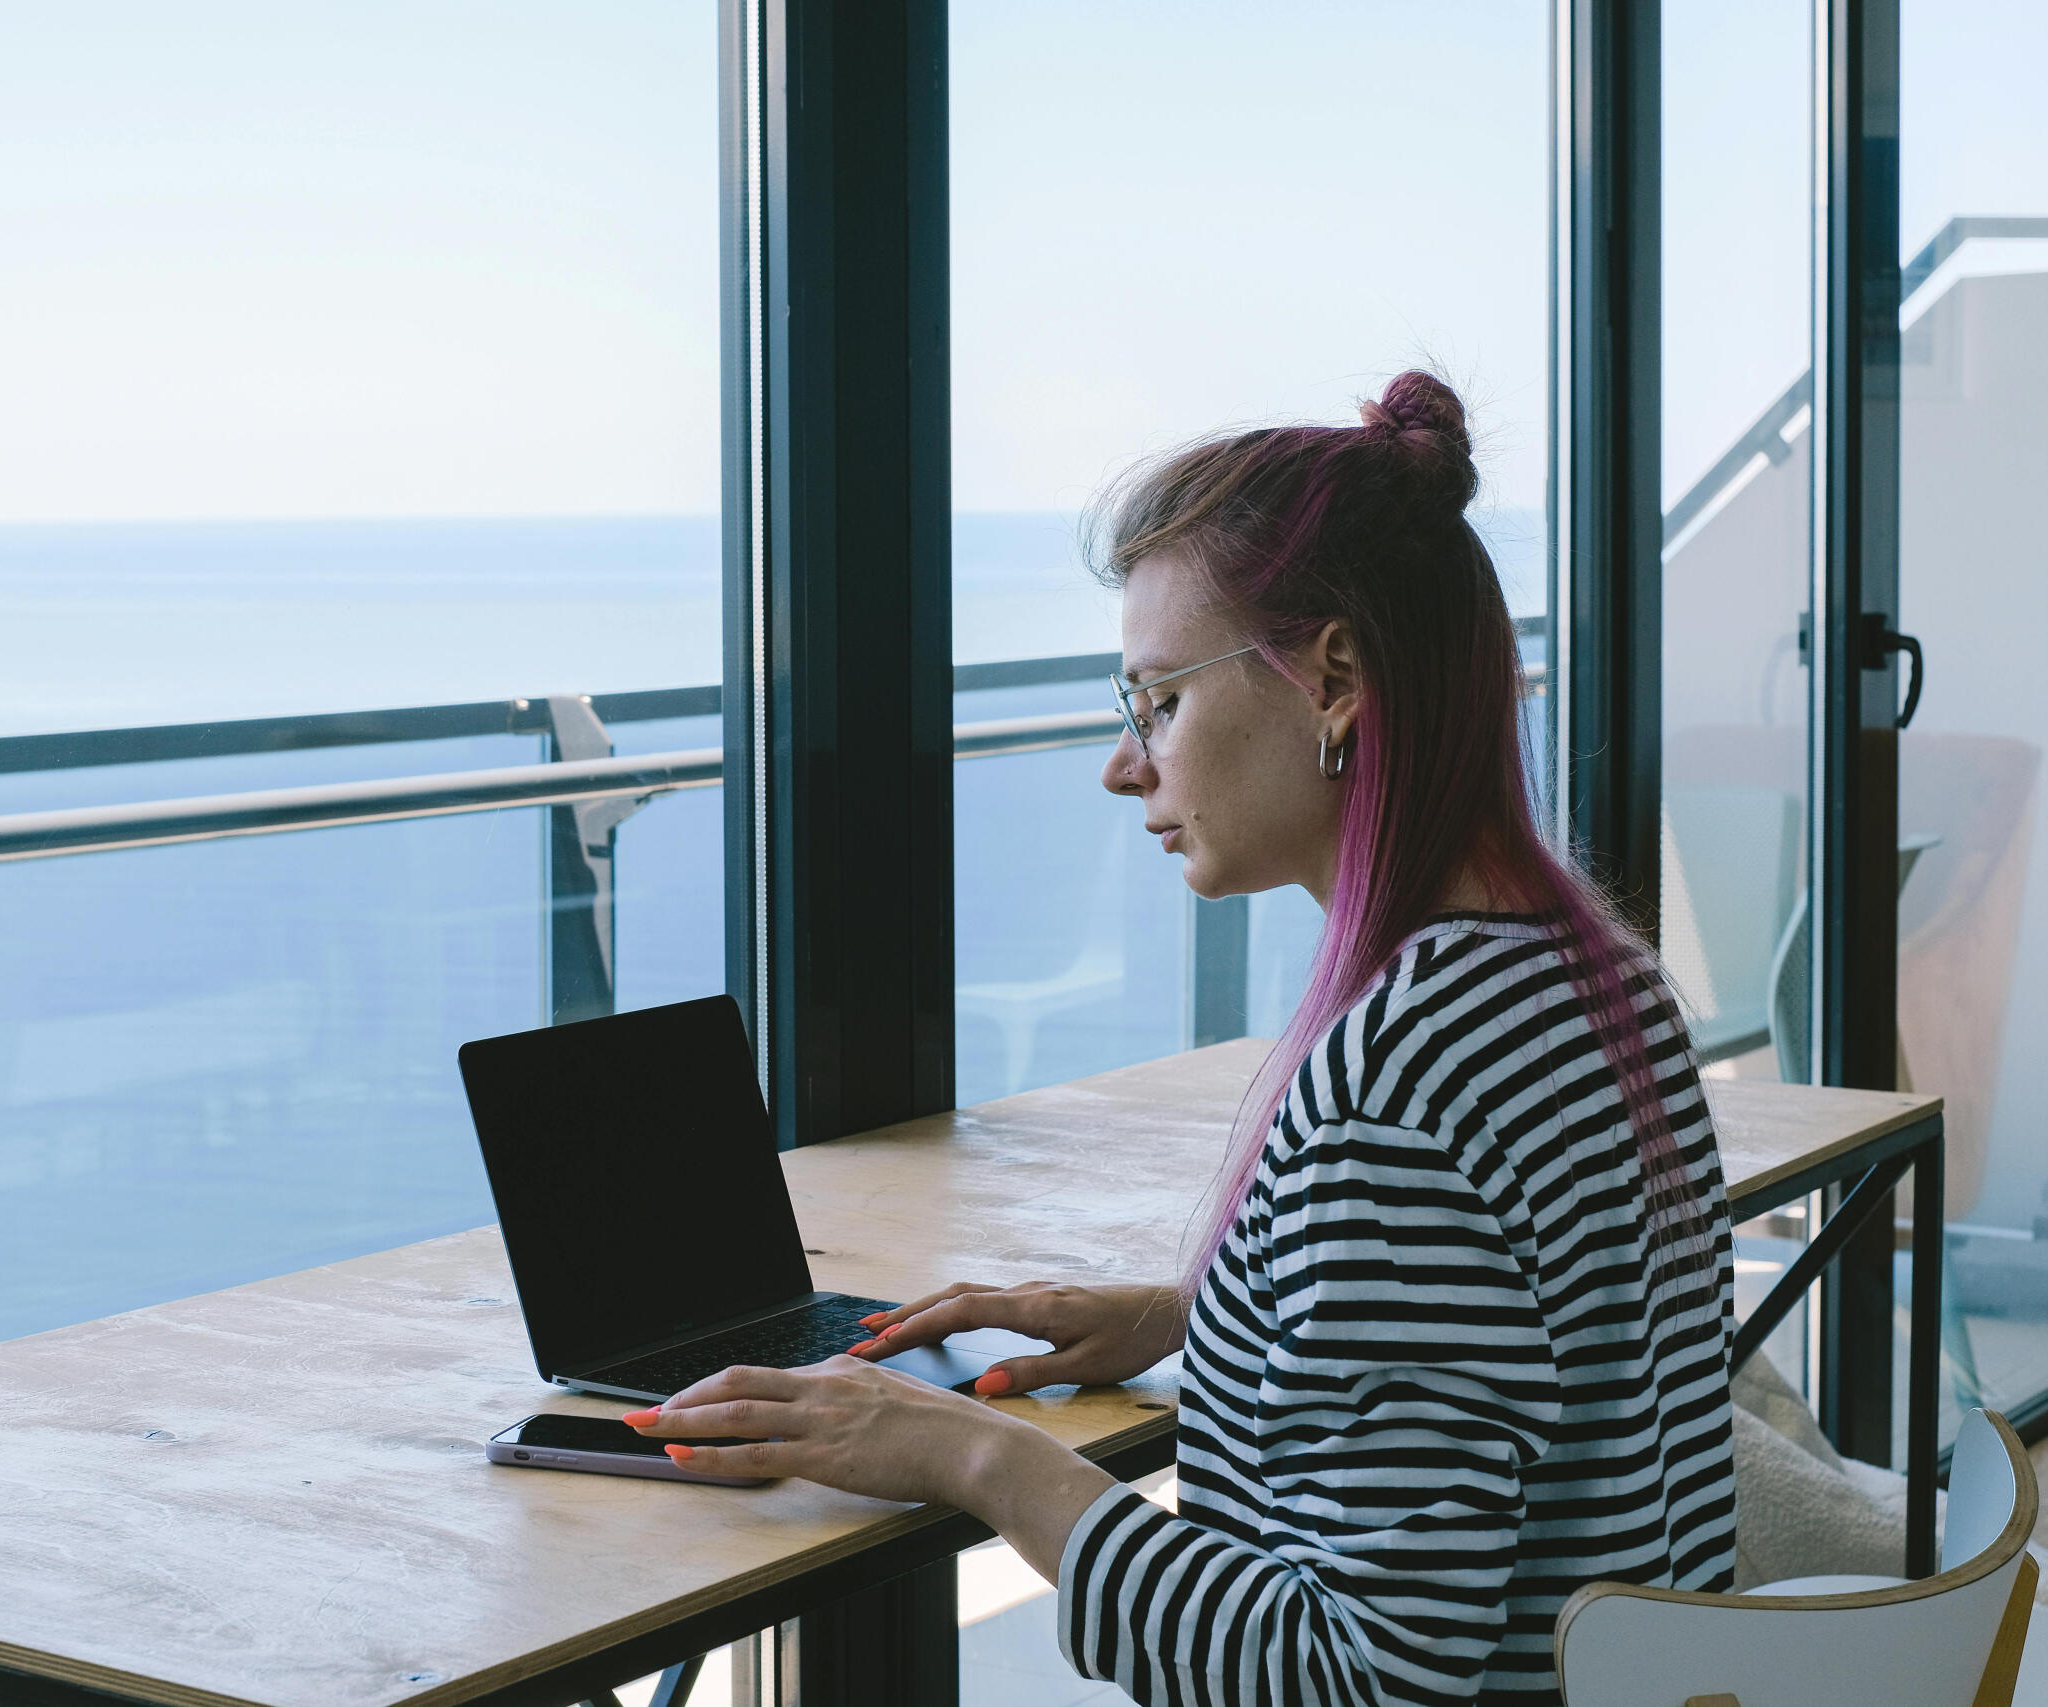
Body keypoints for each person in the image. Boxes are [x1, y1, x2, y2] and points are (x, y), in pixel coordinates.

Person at [626, 370, 1735, 1707]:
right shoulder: (1593, 981)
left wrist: (971, 1455)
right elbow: (1529, 1350)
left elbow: (1354, 1676)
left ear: (1334, 676)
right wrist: (1207, 1322)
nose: (1125, 761)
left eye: (1158, 701)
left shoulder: (1398, 1082)